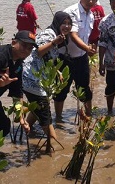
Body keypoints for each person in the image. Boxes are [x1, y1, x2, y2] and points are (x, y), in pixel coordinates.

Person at [21, 12, 72, 143]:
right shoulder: (49, 34)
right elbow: (38, 51)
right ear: (57, 23)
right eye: (64, 23)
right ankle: (54, 145)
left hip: (38, 76)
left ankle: (26, 130)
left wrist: (57, 71)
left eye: (69, 24)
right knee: (45, 113)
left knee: (38, 106)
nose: (66, 26)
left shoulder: (56, 35)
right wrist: (54, 42)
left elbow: (47, 57)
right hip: (31, 76)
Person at [56, 0, 98, 118]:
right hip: (65, 58)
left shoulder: (90, 14)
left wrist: (88, 49)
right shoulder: (71, 12)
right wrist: (87, 48)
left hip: (81, 58)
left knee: (85, 89)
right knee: (61, 90)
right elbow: (73, 36)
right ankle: (58, 119)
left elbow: (87, 36)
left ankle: (89, 116)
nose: (91, 1)